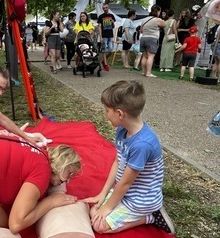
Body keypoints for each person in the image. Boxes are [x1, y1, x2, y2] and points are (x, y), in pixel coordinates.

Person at [82, 80, 175, 235]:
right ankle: (136, 212)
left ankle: (151, 216)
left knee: (99, 225)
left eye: (106, 110)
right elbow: (118, 161)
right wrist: (103, 194)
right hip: (127, 193)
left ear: (119, 114)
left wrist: (108, 207)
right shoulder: (122, 129)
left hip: (140, 200)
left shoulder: (142, 144)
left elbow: (125, 183)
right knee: (94, 210)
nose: (105, 114)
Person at [140, 5, 167, 77]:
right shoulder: (157, 19)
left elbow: (141, 30)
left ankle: (143, 72)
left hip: (143, 38)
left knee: (144, 56)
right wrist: (163, 19)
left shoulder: (145, 19)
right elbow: (165, 25)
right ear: (158, 11)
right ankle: (148, 73)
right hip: (152, 39)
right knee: (150, 56)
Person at [98, 3, 116, 72]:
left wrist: (113, 22)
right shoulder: (101, 16)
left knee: (111, 50)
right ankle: (105, 64)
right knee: (104, 50)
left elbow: (113, 26)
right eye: (104, 8)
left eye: (106, 8)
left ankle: (103, 61)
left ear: (108, 8)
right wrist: (101, 36)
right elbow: (99, 27)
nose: (105, 9)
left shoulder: (111, 16)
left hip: (110, 35)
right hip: (104, 35)